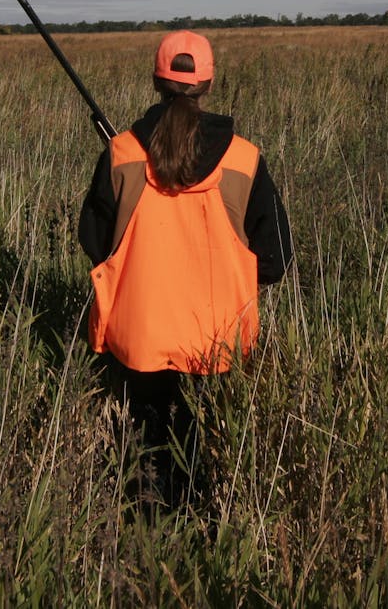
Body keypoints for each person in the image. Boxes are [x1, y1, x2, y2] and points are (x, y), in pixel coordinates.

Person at [78, 29, 292, 508]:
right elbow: (276, 260)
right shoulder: (245, 159)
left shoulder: (121, 154)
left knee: (144, 458)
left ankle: (143, 538)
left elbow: (94, 243)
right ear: (209, 84)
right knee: (206, 458)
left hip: (139, 340)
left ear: (156, 81)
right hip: (217, 346)